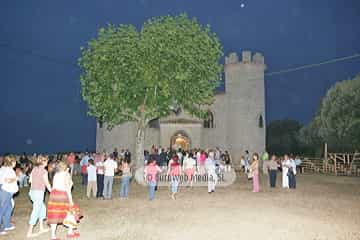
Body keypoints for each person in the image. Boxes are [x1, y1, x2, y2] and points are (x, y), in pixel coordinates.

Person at [47, 161, 78, 239]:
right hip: (62, 194)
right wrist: (71, 201)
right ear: (66, 168)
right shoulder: (66, 174)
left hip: (53, 195)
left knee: (54, 214)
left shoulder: (56, 174)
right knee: (70, 212)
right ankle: (70, 232)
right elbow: (68, 188)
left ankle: (53, 236)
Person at [27, 155, 52, 238]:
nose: (47, 163)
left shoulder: (34, 169)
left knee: (42, 209)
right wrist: (53, 192)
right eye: (47, 161)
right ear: (43, 162)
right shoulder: (44, 171)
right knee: (36, 211)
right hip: (38, 193)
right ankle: (29, 232)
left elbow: (30, 181)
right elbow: (47, 183)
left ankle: (41, 228)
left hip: (32, 192)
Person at [0, 156, 18, 235]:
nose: (16, 163)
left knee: (9, 207)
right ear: (11, 162)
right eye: (14, 161)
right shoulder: (8, 170)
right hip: (6, 191)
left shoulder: (3, 168)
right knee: (2, 209)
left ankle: (7, 225)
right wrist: (15, 178)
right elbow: (6, 180)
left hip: (7, 191)